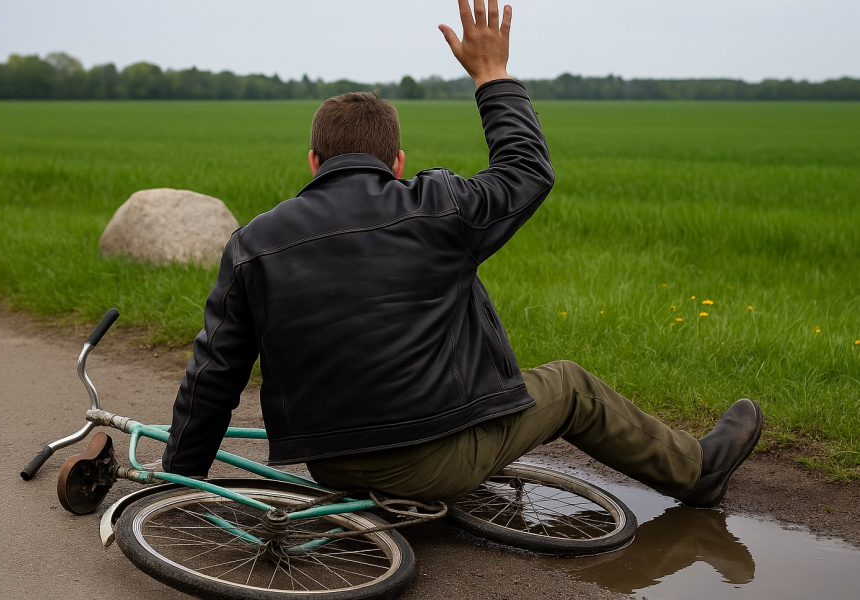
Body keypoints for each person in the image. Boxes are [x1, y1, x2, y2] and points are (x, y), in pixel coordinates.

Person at [160, 0, 762, 509]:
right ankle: (697, 472)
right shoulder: (437, 205)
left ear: (313, 163)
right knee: (573, 387)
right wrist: (491, 74)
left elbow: (212, 378)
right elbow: (527, 171)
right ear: (395, 162)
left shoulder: (252, 244)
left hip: (331, 468)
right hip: (428, 462)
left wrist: (174, 485)